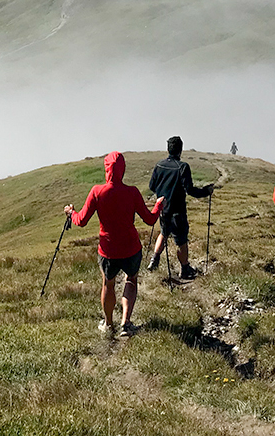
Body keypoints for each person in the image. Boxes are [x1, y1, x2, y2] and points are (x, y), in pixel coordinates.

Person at [65, 151, 162, 337]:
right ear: (122, 170)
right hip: (131, 248)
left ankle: (108, 324)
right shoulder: (132, 192)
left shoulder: (97, 192)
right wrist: (158, 206)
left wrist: (71, 213)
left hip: (108, 250)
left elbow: (82, 220)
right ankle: (126, 323)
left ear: (106, 169)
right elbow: (150, 220)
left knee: (108, 284)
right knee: (131, 280)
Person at [147, 136, 214, 279]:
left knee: (163, 233)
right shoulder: (183, 167)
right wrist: (206, 192)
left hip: (163, 209)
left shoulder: (159, 165)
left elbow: (152, 186)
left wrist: (162, 193)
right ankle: (184, 269)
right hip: (178, 211)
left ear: (168, 149)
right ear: (180, 150)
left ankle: (154, 260)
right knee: (181, 241)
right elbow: (190, 190)